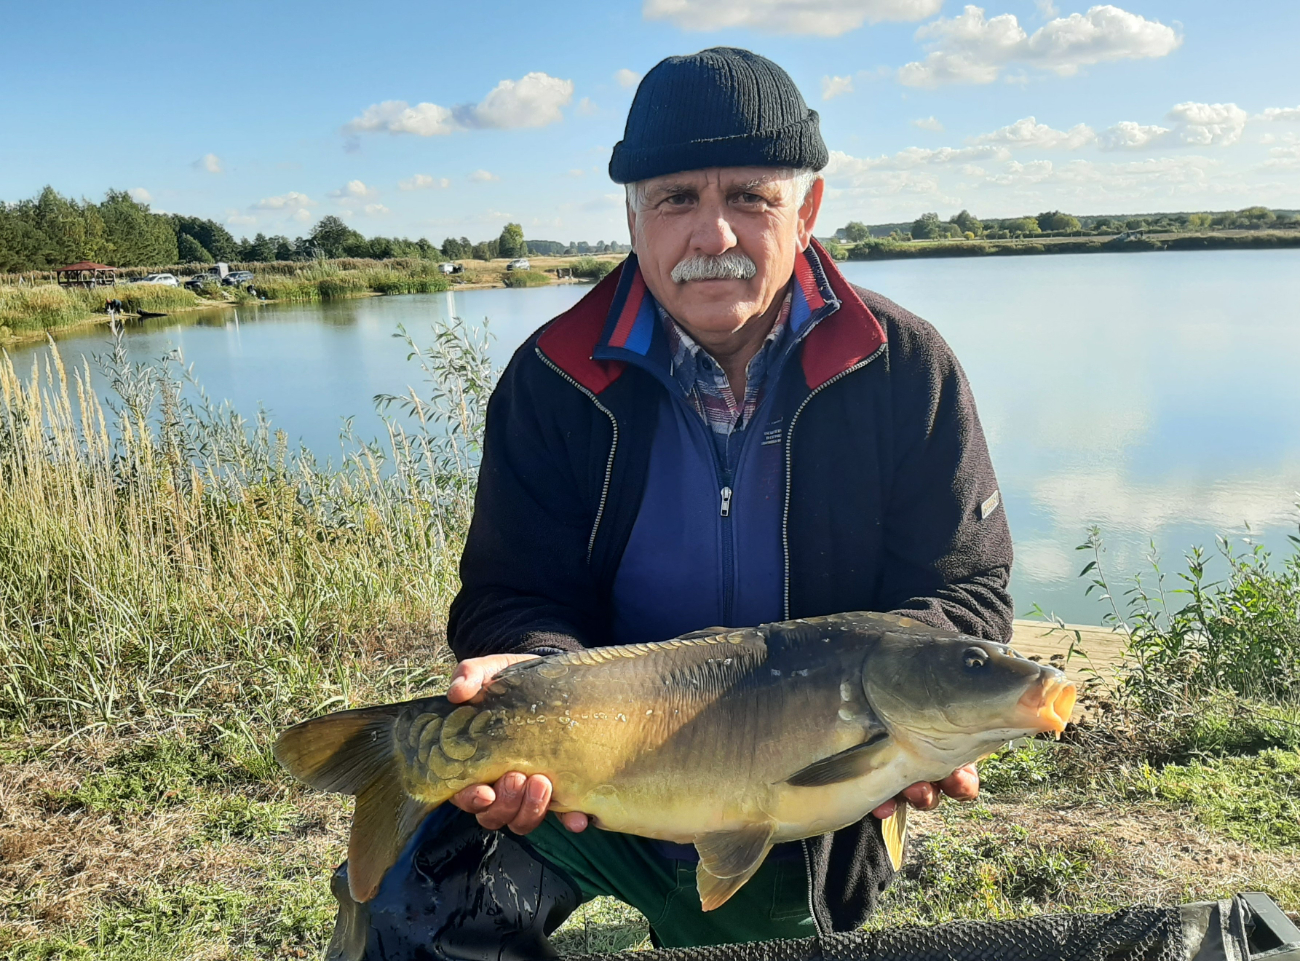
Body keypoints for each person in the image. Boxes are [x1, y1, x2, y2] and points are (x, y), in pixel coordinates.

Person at [328, 46, 1012, 961]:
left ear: (806, 211)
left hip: (812, 785)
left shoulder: (903, 368)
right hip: (588, 781)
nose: (713, 235)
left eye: (750, 198)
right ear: (633, 216)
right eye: (677, 199)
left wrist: (913, 712)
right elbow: (510, 592)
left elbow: (967, 588)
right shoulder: (553, 379)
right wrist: (527, 672)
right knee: (420, 915)